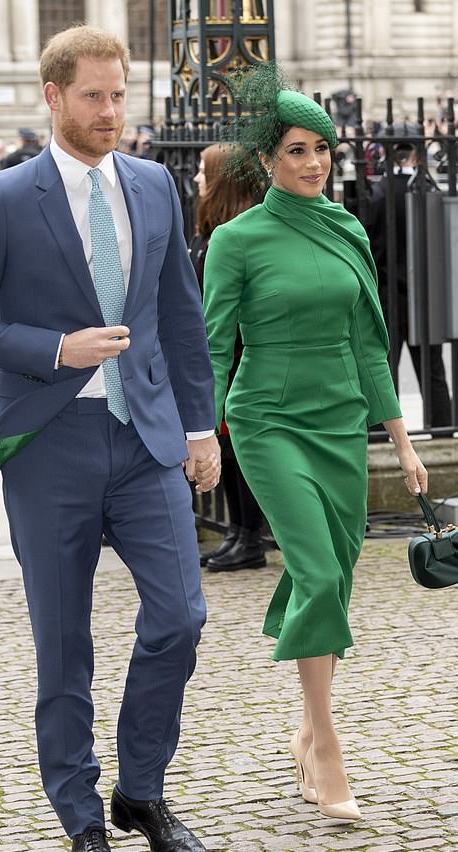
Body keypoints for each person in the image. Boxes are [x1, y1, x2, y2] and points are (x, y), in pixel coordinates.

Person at [0, 25, 220, 852]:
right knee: (65, 647)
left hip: (145, 442)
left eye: (119, 96)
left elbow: (180, 316)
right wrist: (57, 348)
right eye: (93, 97)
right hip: (49, 447)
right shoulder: (3, 198)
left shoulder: (153, 187)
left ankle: (142, 790)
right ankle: (82, 821)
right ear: (54, 97)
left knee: (181, 617)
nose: (110, 113)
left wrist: (199, 428)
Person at [203, 68, 428, 824]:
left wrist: (402, 442)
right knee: (319, 569)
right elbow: (212, 348)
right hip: (268, 424)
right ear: (267, 160)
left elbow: (370, 343)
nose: (314, 163)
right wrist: (202, 436)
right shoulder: (236, 241)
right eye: (297, 150)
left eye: (323, 149)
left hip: (340, 426)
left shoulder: (348, 229)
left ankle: (306, 725)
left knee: (333, 574)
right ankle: (326, 740)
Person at [190, 143, 267, 571]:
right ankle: (237, 531)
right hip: (214, 356)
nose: (198, 179)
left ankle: (249, 536)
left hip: (237, 356)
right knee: (226, 447)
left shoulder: (242, 232)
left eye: (204, 171)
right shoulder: (209, 230)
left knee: (240, 451)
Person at [365, 141, 452, 430]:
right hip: (424, 293)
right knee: (433, 372)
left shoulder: (376, 195)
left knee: (383, 373)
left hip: (387, 294)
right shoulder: (427, 191)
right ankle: (443, 432)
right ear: (414, 156)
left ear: (385, 156)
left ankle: (378, 436)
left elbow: (370, 250)